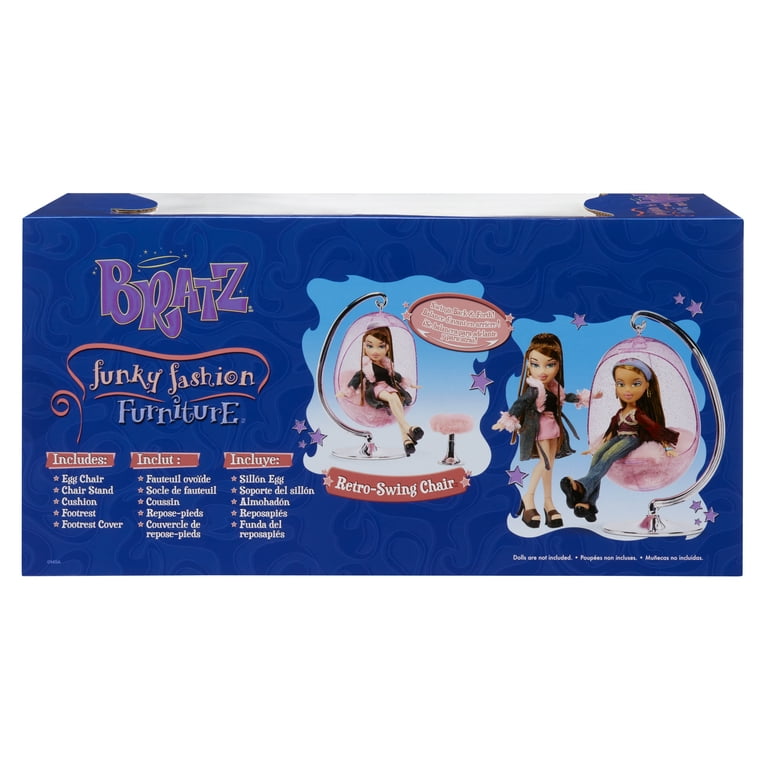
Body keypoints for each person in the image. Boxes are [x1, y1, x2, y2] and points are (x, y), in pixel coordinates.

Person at [560, 358, 679, 522]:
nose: (627, 389)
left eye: (636, 384)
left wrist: (667, 447)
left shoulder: (638, 413)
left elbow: (655, 429)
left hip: (631, 440)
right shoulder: (620, 413)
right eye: (621, 384)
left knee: (607, 458)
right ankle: (589, 504)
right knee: (597, 457)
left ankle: (581, 487)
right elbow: (611, 432)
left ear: (647, 386)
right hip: (619, 437)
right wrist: (595, 448)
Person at [493, 333, 591, 528]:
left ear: (558, 365)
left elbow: (565, 397)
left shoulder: (554, 386)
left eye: (550, 364)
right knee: (545, 463)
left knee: (550, 464)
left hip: (554, 425)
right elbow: (520, 403)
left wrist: (584, 398)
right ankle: (528, 497)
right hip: (540, 427)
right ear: (528, 364)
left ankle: (548, 502)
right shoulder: (534, 388)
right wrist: (507, 420)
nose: (542, 371)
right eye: (535, 364)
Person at [337, 325, 423, 455]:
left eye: (381, 346)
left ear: (387, 348)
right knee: (391, 397)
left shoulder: (386, 364)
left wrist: (409, 384)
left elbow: (396, 376)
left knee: (395, 398)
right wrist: (346, 391)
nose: (375, 351)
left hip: (390, 388)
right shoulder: (367, 367)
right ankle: (408, 427)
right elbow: (356, 378)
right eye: (370, 346)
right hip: (376, 389)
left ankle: (406, 440)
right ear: (364, 347)